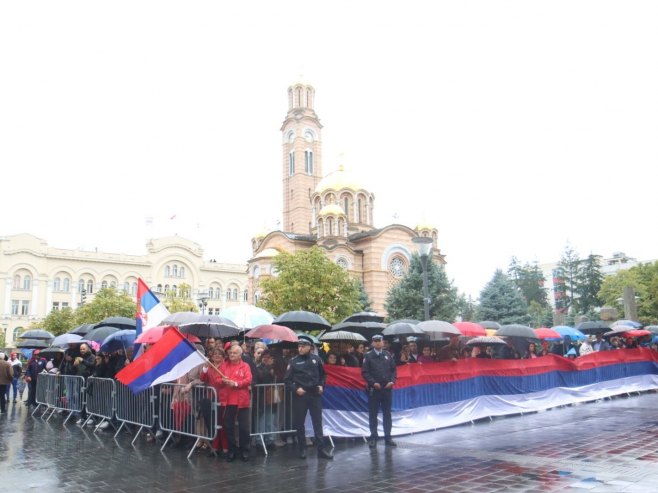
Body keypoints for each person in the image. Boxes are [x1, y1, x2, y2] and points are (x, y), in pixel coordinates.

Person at [284, 337, 333, 460]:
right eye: (299, 346)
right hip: (301, 395)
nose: (300, 348)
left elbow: (323, 376)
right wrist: (296, 389)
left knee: (317, 422)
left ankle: (321, 449)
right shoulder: (293, 361)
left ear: (309, 347)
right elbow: (287, 380)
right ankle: (302, 448)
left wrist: (322, 385)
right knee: (299, 423)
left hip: (314, 394)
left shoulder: (317, 360)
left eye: (303, 346)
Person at [213, 345, 252, 462]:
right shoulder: (224, 365)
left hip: (241, 401)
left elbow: (248, 379)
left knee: (244, 427)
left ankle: (245, 450)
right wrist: (223, 381)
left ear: (240, 355)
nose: (231, 355)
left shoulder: (245, 366)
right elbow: (217, 379)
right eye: (230, 353)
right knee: (228, 427)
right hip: (228, 401)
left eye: (234, 353)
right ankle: (232, 450)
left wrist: (235, 384)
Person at [361, 334, 397, 448]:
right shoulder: (368, 356)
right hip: (374, 388)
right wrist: (372, 382)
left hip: (387, 388)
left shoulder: (387, 355)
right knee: (373, 414)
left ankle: (388, 437)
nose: (377, 343)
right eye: (375, 341)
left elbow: (393, 370)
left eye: (379, 341)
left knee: (387, 414)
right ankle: (373, 437)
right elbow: (365, 372)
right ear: (372, 343)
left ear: (383, 342)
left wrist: (392, 381)